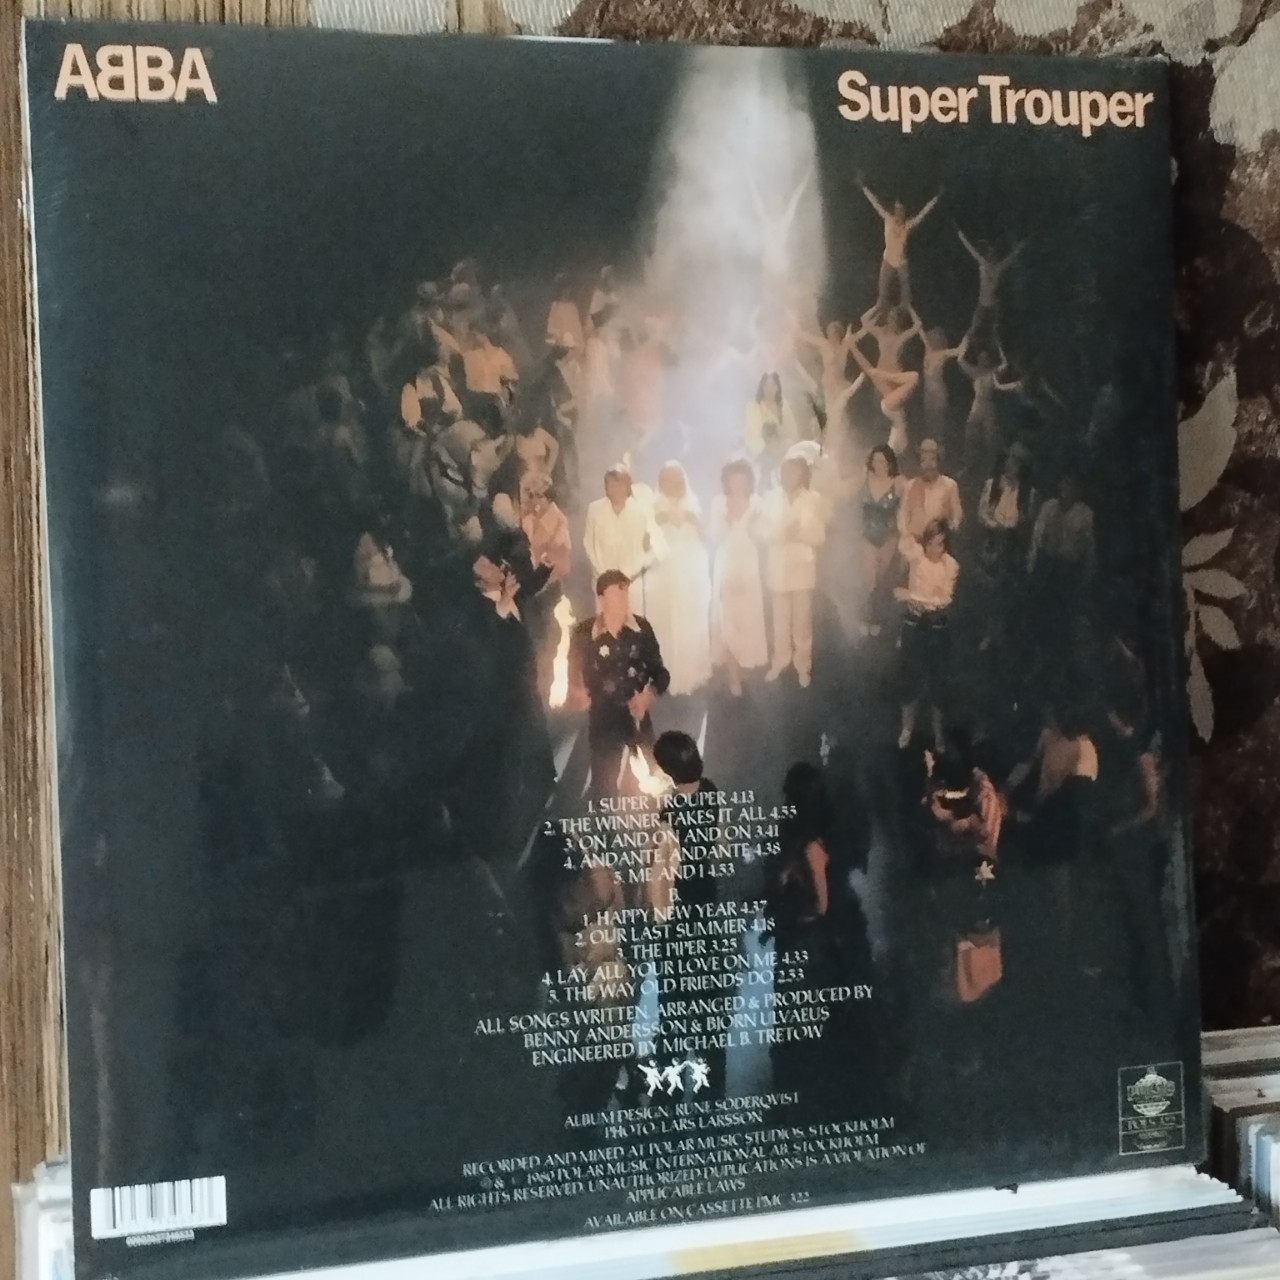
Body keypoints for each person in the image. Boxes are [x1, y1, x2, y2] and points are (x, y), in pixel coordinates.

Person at [568, 570, 670, 798]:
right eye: (617, 594)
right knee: (604, 786)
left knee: (653, 785)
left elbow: (661, 674)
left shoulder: (641, 629)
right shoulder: (584, 633)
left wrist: (647, 696)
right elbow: (573, 676)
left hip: (637, 717)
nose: (623, 601)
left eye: (626, 594)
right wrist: (578, 692)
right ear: (601, 598)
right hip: (602, 720)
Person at [644, 462, 712, 697]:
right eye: (667, 479)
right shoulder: (652, 505)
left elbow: (707, 537)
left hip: (689, 574)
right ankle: (663, 675)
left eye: (677, 479)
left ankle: (689, 674)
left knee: (689, 623)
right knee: (664, 622)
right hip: (663, 575)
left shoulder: (694, 502)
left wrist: (695, 521)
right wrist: (657, 521)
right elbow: (644, 543)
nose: (672, 484)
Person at [762, 451, 828, 688]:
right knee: (779, 620)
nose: (788, 475)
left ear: (802, 474)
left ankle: (803, 664)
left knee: (802, 620)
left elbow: (820, 536)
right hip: (777, 566)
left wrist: (798, 533)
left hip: (802, 567)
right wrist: (781, 534)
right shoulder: (769, 497)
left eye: (793, 471)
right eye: (784, 471)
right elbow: (761, 531)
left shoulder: (814, 499)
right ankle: (780, 660)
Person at [895, 519, 959, 751]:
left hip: (936, 629)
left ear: (946, 544)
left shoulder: (951, 565)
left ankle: (938, 735)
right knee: (909, 679)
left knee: (938, 683)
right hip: (913, 625)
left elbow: (943, 600)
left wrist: (912, 596)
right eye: (931, 544)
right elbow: (904, 540)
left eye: (940, 544)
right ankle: (907, 729)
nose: (934, 549)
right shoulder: (917, 556)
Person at [710, 458, 769, 696]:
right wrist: (725, 522)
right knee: (728, 618)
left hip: (748, 563)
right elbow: (713, 536)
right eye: (733, 479)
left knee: (748, 618)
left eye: (741, 478)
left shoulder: (757, 503)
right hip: (726, 561)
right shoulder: (718, 503)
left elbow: (764, 535)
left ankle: (744, 667)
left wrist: (754, 526)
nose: (737, 483)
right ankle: (732, 674)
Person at [975, 444, 1035, 653]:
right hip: (993, 546)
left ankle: (1001, 634)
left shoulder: (1027, 493)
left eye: (1017, 462)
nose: (1011, 465)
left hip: (1012, 550)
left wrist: (1011, 530)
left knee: (1005, 593)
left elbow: (1027, 523)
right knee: (991, 591)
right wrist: (995, 526)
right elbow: (982, 513)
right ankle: (988, 632)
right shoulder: (993, 485)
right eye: (1010, 460)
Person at [859, 180, 941, 313]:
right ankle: (881, 315)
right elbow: (875, 203)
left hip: (902, 263)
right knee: (882, 296)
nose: (899, 214)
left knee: (906, 300)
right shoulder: (888, 219)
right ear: (895, 211)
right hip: (887, 260)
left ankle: (904, 318)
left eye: (902, 211)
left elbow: (923, 213)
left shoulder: (907, 225)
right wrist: (864, 187)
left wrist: (936, 198)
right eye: (898, 211)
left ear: (904, 213)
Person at [858, 444, 907, 638]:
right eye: (876, 460)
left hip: (889, 537)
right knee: (869, 579)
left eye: (883, 461)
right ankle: (865, 617)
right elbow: (843, 488)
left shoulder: (899, 483)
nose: (879, 464)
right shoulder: (864, 477)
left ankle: (878, 618)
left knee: (882, 579)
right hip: (867, 536)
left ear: (889, 463)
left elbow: (909, 505)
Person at [583, 464, 656, 587]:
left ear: (628, 487)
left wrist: (633, 573)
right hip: (602, 582)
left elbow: (652, 546)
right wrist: (602, 575)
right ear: (606, 487)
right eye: (612, 485)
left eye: (621, 485)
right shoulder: (594, 509)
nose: (616, 489)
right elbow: (588, 544)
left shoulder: (641, 511)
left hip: (633, 581)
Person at [899, 439, 963, 541]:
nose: (928, 465)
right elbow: (903, 516)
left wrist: (945, 531)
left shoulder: (950, 485)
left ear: (938, 461)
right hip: (914, 542)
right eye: (923, 460)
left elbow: (956, 518)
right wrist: (909, 537)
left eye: (932, 460)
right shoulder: (910, 486)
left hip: (939, 541)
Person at [744, 372, 800, 488]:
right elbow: (753, 431)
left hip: (781, 451)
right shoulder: (753, 406)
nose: (769, 389)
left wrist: (782, 445)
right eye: (766, 385)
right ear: (762, 387)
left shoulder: (783, 406)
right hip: (759, 451)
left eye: (773, 385)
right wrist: (766, 448)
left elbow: (791, 431)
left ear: (778, 387)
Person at [921, 326, 969, 437]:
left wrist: (967, 336)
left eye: (935, 338)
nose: (933, 340)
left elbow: (959, 350)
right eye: (931, 337)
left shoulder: (943, 353)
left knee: (938, 421)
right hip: (928, 392)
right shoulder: (928, 351)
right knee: (929, 421)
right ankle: (931, 443)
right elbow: (921, 332)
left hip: (938, 391)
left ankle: (939, 444)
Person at [462, 323, 519, 406]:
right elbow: (469, 384)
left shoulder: (502, 356)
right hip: (478, 400)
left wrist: (504, 393)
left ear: (485, 335)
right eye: (472, 335)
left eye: (476, 334)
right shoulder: (472, 357)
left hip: (494, 401)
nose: (474, 338)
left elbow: (512, 380)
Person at [545, 273, 584, 352]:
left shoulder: (573, 307)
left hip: (575, 346)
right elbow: (551, 329)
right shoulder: (556, 306)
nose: (567, 291)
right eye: (564, 288)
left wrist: (577, 341)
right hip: (562, 347)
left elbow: (577, 328)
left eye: (568, 288)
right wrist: (559, 337)